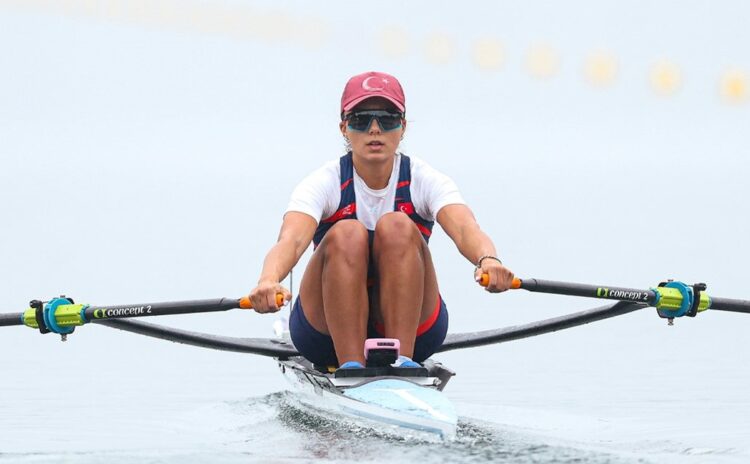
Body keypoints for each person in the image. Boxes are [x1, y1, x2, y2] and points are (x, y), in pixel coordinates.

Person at [248, 71, 514, 370]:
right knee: (347, 232)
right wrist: (268, 281)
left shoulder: (425, 180)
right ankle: (351, 366)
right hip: (325, 338)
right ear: (344, 128)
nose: (374, 129)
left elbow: (466, 228)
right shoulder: (324, 182)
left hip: (417, 332)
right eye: (361, 119)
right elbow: (291, 240)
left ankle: (403, 361)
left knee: (397, 225)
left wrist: (489, 260)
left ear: (402, 128)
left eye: (387, 119)